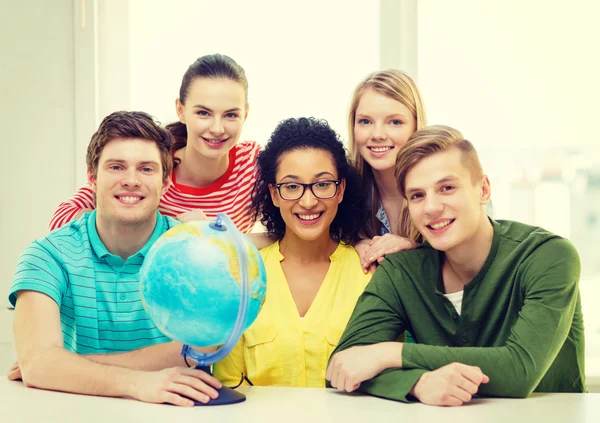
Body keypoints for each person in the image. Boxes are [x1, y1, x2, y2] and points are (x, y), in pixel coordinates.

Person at [326, 125, 586, 405]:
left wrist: (389, 354)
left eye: (447, 188)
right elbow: (342, 367)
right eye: (417, 195)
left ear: (483, 189)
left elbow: (519, 369)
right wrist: (417, 383)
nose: (432, 207)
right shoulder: (401, 271)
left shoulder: (548, 256)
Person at [8, 111, 222, 406]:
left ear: (167, 182)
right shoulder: (46, 255)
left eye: (146, 169)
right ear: (92, 178)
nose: (131, 180)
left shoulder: (195, 250)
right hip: (72, 412)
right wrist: (138, 382)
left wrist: (68, 365)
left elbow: (201, 349)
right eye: (117, 167)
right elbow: (38, 366)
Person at [213, 117, 371, 387]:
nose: (308, 202)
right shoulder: (243, 277)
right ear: (274, 194)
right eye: (292, 186)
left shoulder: (369, 274)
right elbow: (229, 387)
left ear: (341, 189)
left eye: (322, 184)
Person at [49, 54, 259, 233]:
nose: (217, 128)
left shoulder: (252, 165)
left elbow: (284, 236)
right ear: (181, 110)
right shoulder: (150, 166)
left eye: (230, 115)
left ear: (246, 114)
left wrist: (216, 233)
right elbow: (61, 220)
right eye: (203, 113)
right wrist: (169, 231)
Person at [348, 70, 427, 272]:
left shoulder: (447, 180)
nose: (377, 135)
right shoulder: (345, 189)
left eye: (395, 122)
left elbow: (475, 254)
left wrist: (414, 248)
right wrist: (351, 248)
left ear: (416, 126)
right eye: (365, 121)